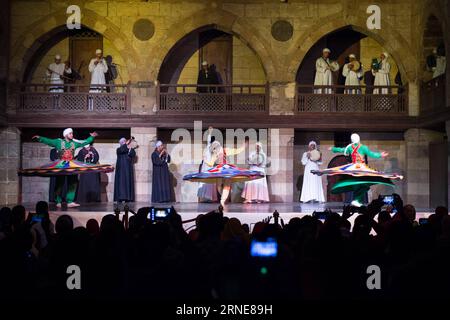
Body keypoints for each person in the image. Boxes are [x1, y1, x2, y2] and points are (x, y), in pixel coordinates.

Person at [312, 133, 403, 207]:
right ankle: (395, 176)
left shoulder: (351, 147)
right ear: (358, 140)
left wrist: (333, 149)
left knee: (341, 171)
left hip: (355, 167)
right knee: (373, 176)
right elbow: (372, 154)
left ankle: (322, 172)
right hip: (360, 167)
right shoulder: (361, 147)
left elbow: (341, 149)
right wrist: (380, 155)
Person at [25, 129, 104, 208]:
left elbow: (84, 142)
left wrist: (91, 137)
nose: (72, 135)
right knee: (59, 183)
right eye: (70, 133)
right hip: (61, 164)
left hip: (71, 164)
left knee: (73, 182)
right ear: (66, 135)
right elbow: (49, 141)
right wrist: (40, 138)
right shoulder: (58, 142)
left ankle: (70, 201)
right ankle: (58, 201)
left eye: (72, 133)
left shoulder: (74, 143)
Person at [183, 133, 264, 207]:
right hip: (218, 171)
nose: (215, 150)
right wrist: (206, 160)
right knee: (218, 186)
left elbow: (236, 151)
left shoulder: (225, 150)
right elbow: (211, 163)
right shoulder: (215, 154)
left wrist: (243, 146)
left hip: (227, 170)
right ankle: (224, 197)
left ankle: (222, 200)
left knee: (227, 185)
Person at [197, 127, 218, 202]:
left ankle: (209, 197)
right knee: (206, 181)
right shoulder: (208, 147)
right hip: (206, 166)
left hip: (209, 166)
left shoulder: (211, 148)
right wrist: (210, 132)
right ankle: (206, 197)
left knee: (209, 181)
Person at [114, 137, 136, 204]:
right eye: (123, 142)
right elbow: (122, 150)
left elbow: (133, 154)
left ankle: (128, 198)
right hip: (121, 170)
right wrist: (126, 145)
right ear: (121, 143)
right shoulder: (119, 149)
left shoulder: (128, 149)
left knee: (128, 182)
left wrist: (130, 149)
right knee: (121, 184)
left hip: (128, 169)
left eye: (125, 141)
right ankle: (120, 198)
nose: (124, 143)